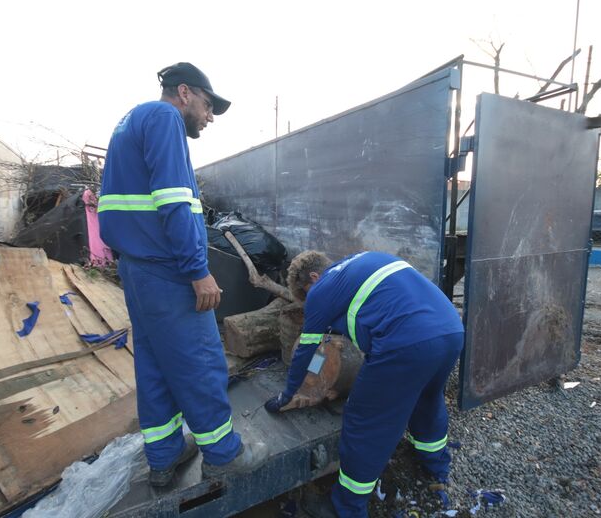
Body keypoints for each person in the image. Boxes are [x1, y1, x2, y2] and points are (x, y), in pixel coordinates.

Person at [99, 62, 268, 488]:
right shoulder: (163, 118)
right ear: (186, 93)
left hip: (137, 268)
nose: (210, 117)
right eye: (209, 106)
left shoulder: (131, 121)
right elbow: (174, 201)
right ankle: (223, 455)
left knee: (155, 364)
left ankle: (164, 453)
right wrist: (198, 272)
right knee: (200, 361)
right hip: (167, 269)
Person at [265, 251, 464, 517]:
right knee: (427, 397)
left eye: (306, 293)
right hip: (451, 330)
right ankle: (435, 465)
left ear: (314, 277)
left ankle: (345, 506)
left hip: (406, 345)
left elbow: (305, 351)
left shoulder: (322, 288)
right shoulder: (363, 262)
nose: (309, 300)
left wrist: (287, 394)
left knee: (364, 420)